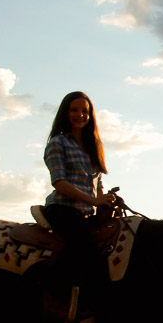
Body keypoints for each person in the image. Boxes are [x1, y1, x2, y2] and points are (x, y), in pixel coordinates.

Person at [41, 91, 119, 301]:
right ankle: (56, 296)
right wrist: (94, 200)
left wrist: (105, 201)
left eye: (85, 111)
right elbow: (59, 181)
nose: (80, 115)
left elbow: (98, 186)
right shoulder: (58, 143)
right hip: (62, 208)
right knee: (85, 247)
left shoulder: (93, 148)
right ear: (65, 113)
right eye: (74, 110)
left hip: (86, 213)